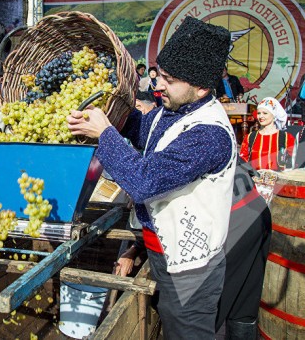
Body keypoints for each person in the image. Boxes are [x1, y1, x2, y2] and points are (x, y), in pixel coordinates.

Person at [67, 17, 236, 339]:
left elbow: (144, 181)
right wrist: (110, 108)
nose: (157, 85)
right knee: (170, 322)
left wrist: (104, 133)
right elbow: (139, 127)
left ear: (200, 87)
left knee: (189, 331)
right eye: (158, 75)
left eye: (169, 80)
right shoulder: (170, 112)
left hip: (191, 268)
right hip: (160, 250)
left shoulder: (209, 134)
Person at [115, 157, 271, 339]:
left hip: (231, 221)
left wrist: (136, 247)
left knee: (198, 317)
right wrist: (135, 248)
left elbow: (165, 213)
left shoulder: (161, 151)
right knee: (242, 308)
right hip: (254, 210)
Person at [240, 97, 295, 171]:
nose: (261, 116)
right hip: (255, 180)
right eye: (259, 113)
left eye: (265, 113)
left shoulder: (286, 138)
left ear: (274, 115)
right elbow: (243, 162)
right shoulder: (250, 137)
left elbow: (294, 163)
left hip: (279, 181)